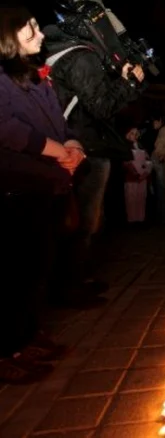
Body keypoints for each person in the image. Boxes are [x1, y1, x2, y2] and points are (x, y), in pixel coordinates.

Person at [0, 5, 85, 383]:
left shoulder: (37, 77)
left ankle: (27, 335)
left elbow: (59, 121)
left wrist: (73, 145)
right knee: (14, 271)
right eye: (29, 29)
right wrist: (56, 150)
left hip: (46, 185)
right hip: (14, 187)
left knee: (38, 267)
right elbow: (8, 130)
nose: (41, 35)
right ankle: (7, 351)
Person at [41, 5, 146, 298]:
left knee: (74, 218)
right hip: (84, 145)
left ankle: (73, 278)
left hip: (71, 142)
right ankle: (71, 286)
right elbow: (101, 106)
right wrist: (129, 84)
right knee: (85, 220)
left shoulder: (60, 50)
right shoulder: (81, 57)